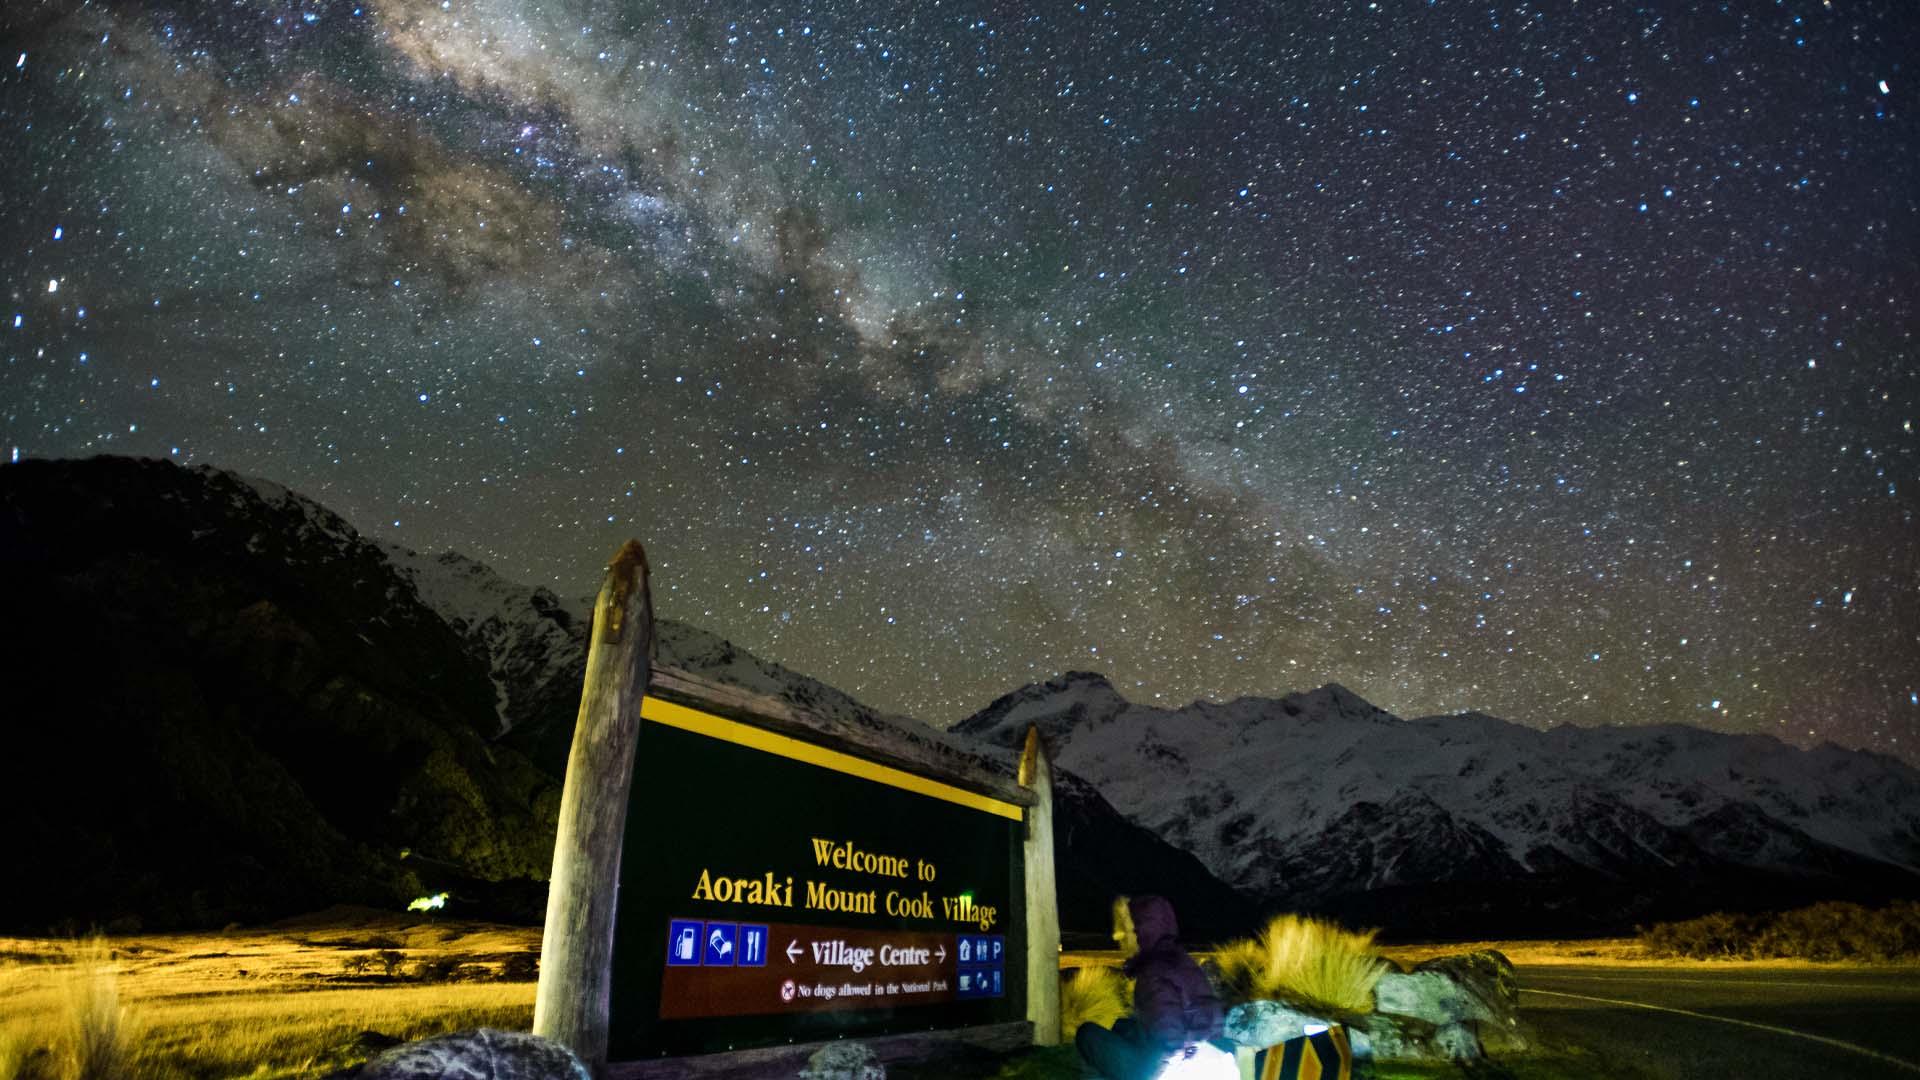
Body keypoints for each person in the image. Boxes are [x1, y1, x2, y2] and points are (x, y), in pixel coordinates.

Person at [1075, 895, 1226, 1080]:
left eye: (1125, 930)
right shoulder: (1179, 960)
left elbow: (1168, 1038)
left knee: (1088, 1034)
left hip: (1174, 1066)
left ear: (1143, 932)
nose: (1116, 936)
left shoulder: (1152, 974)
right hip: (1203, 1054)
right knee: (1122, 1026)